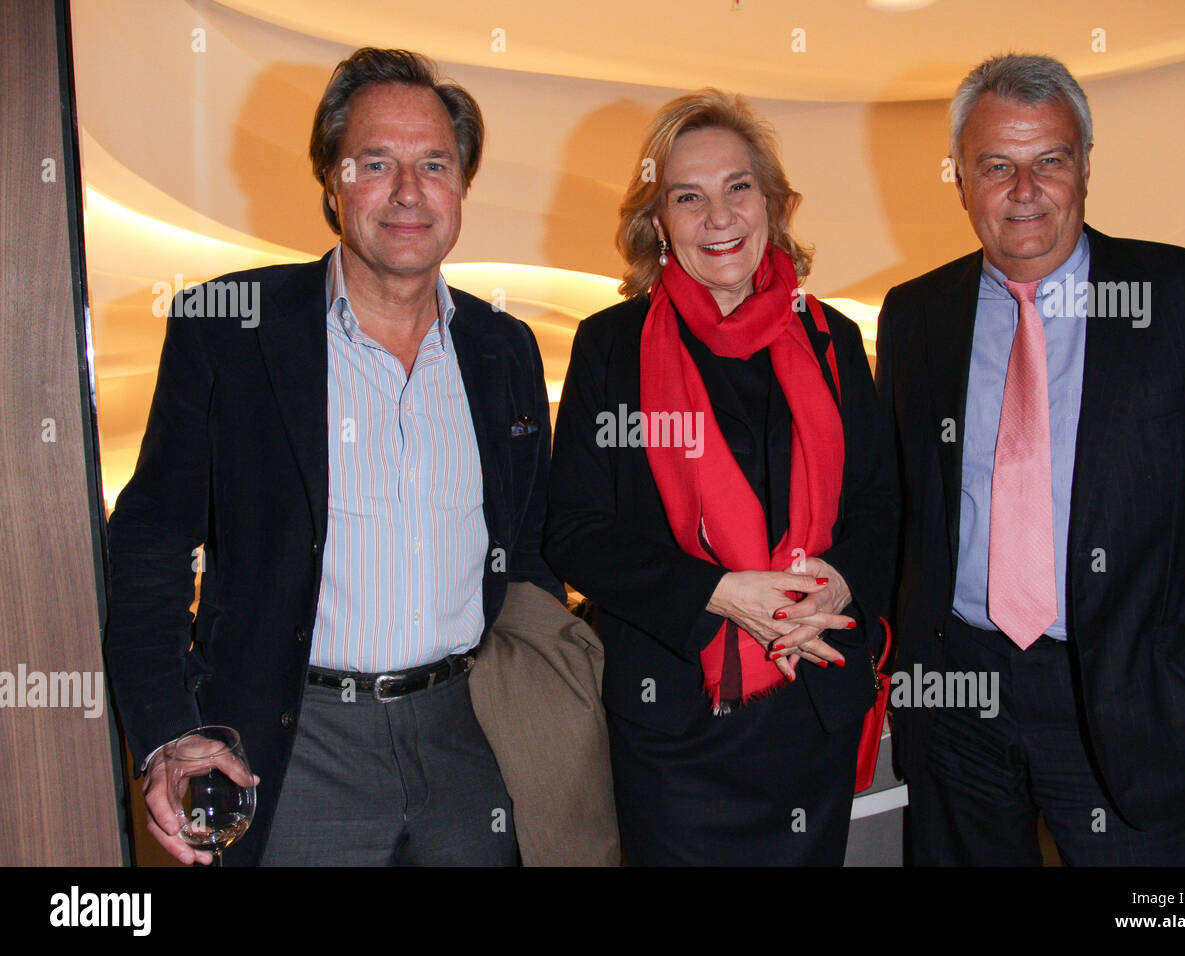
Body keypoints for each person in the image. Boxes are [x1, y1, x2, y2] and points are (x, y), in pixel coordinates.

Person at [104, 47, 562, 866]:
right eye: (376, 163)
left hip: (469, 737)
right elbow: (149, 547)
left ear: (461, 188)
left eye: (435, 163)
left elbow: (526, 549)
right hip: (290, 746)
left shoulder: (506, 351)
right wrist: (170, 736)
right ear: (331, 181)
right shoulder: (229, 330)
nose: (410, 192)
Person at [875, 53, 1185, 865]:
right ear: (960, 180)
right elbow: (898, 505)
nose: (1024, 190)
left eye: (1050, 161)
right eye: (996, 165)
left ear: (1086, 168)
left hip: (1133, 698)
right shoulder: (916, 314)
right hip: (959, 699)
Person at [544, 90, 898, 865]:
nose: (719, 216)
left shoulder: (833, 337)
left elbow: (880, 503)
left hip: (812, 699)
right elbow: (574, 531)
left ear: (770, 201)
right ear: (658, 222)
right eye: (688, 197)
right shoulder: (612, 346)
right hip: (677, 726)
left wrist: (838, 583)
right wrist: (717, 592)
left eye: (738, 188)